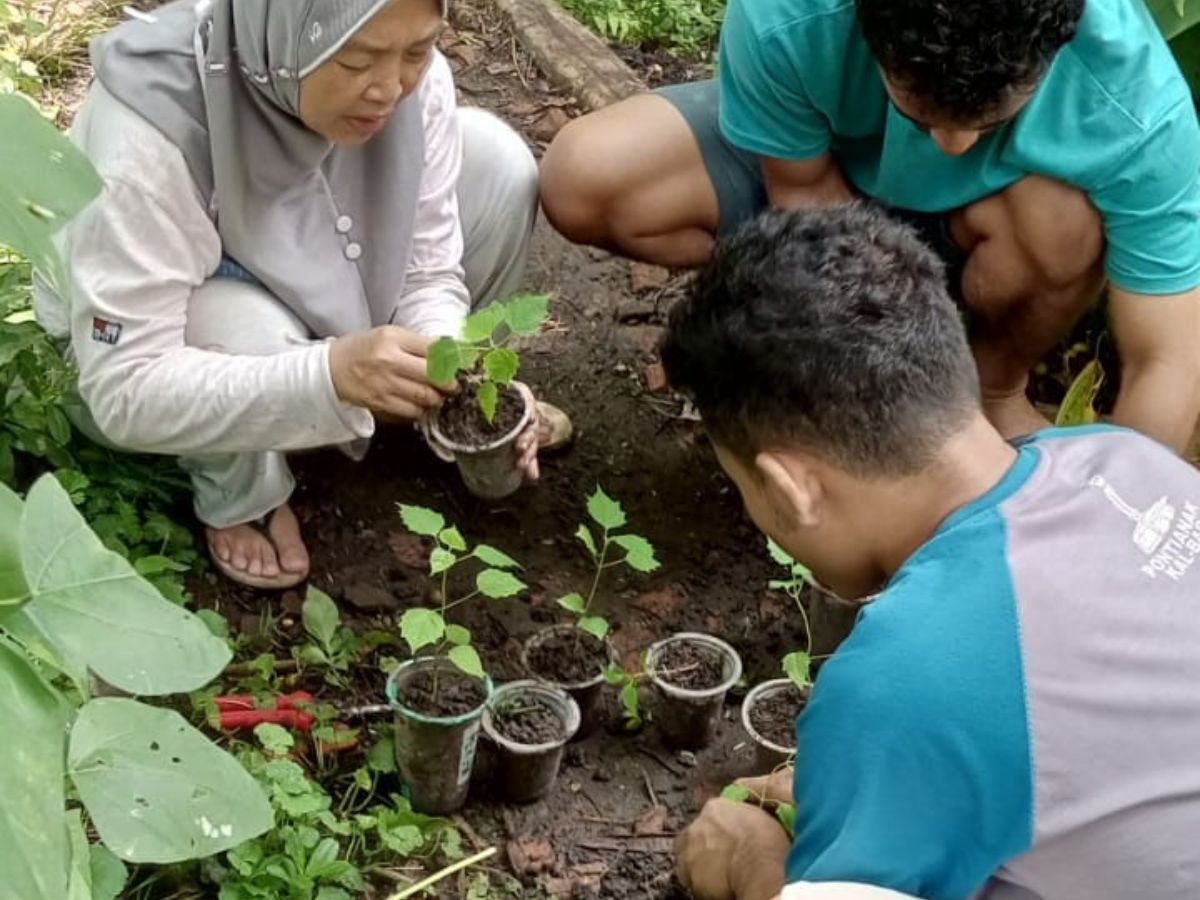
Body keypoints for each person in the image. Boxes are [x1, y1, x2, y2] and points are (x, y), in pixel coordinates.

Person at [661, 205, 1200, 899]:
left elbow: (955, 694)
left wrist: (751, 861)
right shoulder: (1124, 460)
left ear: (791, 488)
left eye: (742, 488)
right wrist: (882, 776)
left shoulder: (900, 681)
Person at [37, 0, 566, 589]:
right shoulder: (150, 130)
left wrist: (446, 366)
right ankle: (242, 491)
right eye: (357, 59)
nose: (391, 87)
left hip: (317, 270)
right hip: (149, 335)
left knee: (498, 163)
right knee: (245, 331)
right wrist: (328, 376)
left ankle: (423, 411)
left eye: (417, 50)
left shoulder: (415, 83)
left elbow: (427, 267)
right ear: (284, 36)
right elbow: (124, 386)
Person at [542, 0, 1200, 452]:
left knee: (1067, 220)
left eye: (992, 123)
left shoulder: (1140, 106)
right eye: (920, 115)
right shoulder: (791, 15)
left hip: (993, 222)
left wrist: (1116, 528)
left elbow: (1169, 357)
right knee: (585, 178)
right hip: (821, 175)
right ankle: (773, 326)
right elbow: (803, 192)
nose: (950, 146)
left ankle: (992, 392)